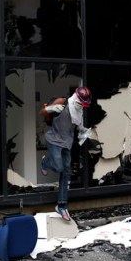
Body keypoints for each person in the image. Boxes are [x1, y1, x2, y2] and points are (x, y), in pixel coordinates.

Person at [39, 86, 92, 221]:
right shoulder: (63, 101)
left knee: (66, 173)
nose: (82, 107)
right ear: (76, 98)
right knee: (58, 167)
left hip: (67, 143)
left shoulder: (79, 112)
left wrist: (83, 132)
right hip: (54, 140)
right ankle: (45, 162)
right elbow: (42, 112)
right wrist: (50, 109)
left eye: (85, 105)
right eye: (81, 104)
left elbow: (78, 127)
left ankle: (62, 205)